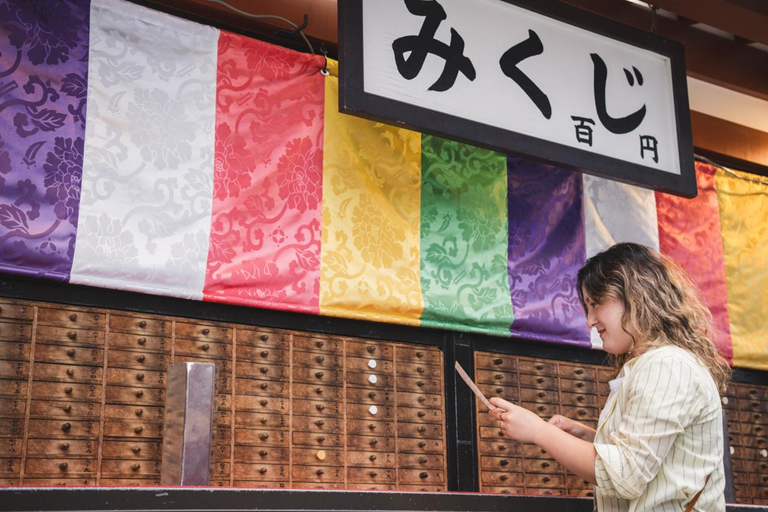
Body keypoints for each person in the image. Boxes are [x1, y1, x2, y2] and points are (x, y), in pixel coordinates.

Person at [490, 242, 730, 511]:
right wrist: (592, 439)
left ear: (634, 296)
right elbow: (654, 459)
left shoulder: (666, 365)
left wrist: (538, 431)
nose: (590, 321)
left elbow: (625, 475)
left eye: (595, 303)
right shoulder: (659, 364)